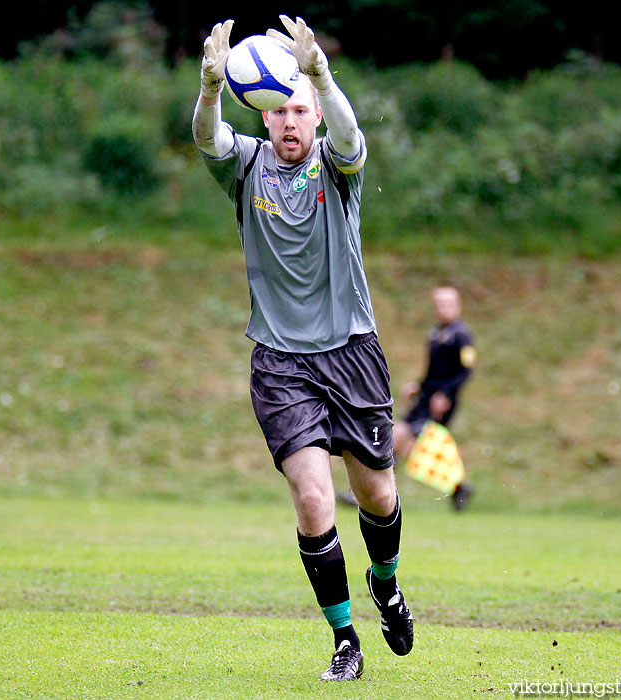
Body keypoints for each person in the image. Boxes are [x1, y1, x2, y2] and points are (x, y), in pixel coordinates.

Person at [192, 15, 412, 682]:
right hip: (280, 363)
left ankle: (387, 583)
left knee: (376, 495)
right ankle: (345, 639)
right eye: (278, 111)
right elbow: (206, 135)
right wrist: (208, 90)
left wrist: (320, 74)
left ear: (314, 117)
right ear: (264, 118)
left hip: (351, 350)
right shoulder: (246, 166)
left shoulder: (338, 169)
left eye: (300, 111)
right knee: (315, 501)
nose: (289, 123)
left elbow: (353, 136)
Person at [394, 285, 477, 510]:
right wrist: (418, 387)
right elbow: (433, 371)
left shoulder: (461, 336)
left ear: (458, 306)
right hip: (425, 398)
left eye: (447, 304)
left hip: (441, 401)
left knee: (410, 443)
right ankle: (376, 491)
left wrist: (445, 394)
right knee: (398, 438)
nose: (442, 308)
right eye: (438, 304)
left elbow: (466, 371)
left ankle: (377, 493)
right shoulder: (436, 333)